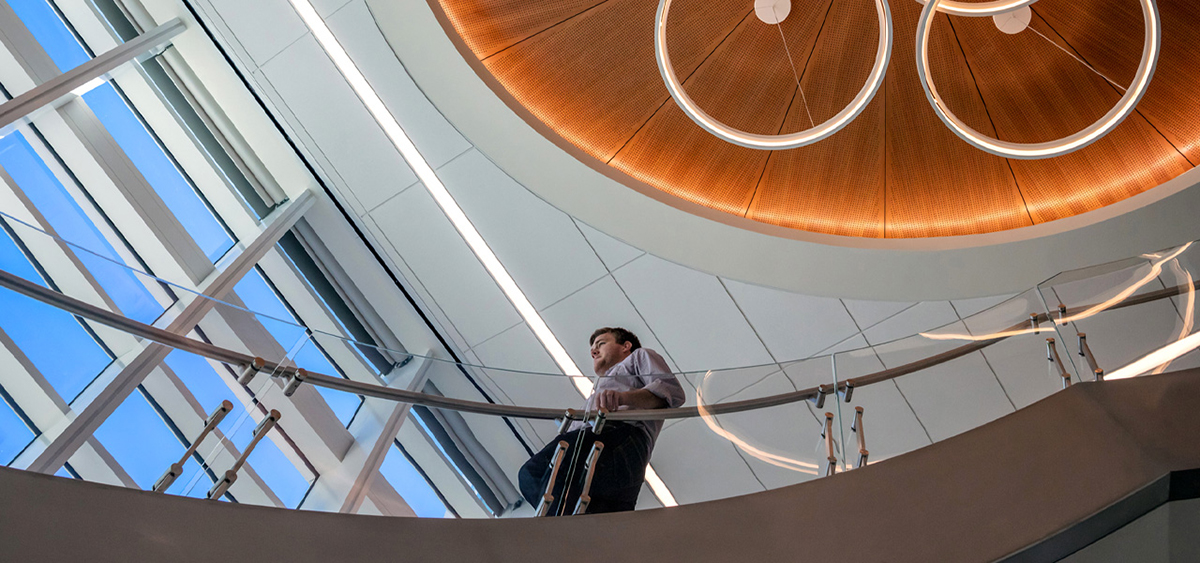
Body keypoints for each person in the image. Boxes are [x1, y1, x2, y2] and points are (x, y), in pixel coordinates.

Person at [517, 327, 685, 515]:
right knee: (536, 478)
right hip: (614, 459)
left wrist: (622, 398)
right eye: (592, 348)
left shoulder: (639, 356)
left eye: (601, 344)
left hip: (621, 438)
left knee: (541, 470)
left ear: (625, 346)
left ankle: (556, 531)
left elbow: (670, 393)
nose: (593, 351)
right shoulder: (595, 395)